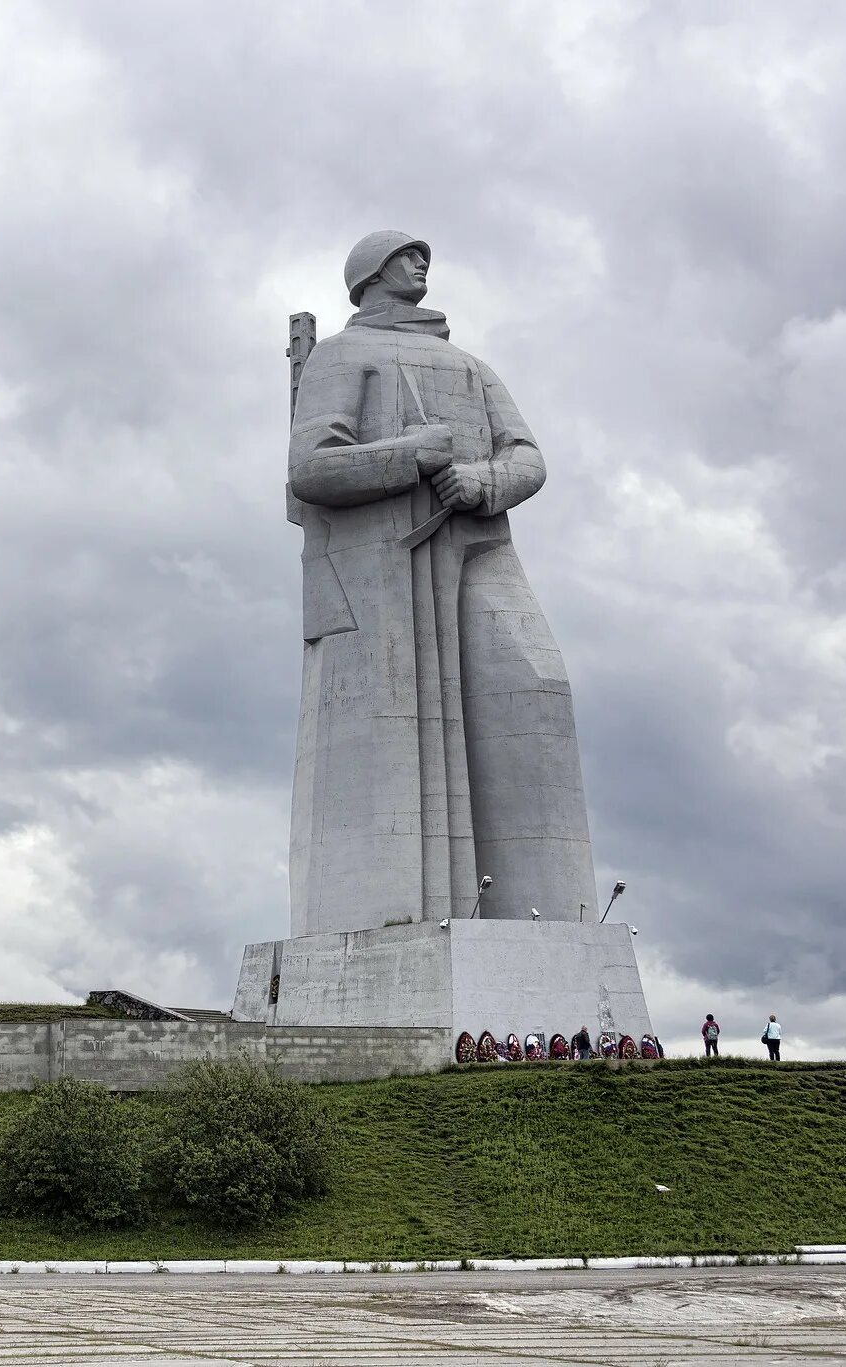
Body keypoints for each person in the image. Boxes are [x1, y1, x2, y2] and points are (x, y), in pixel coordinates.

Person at [286, 231, 597, 932]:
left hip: (479, 546)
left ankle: (553, 922)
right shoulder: (342, 356)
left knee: (537, 685)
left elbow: (528, 456)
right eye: (405, 255)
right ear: (369, 275)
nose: (421, 262)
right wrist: (412, 455)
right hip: (381, 567)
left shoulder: (471, 367)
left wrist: (482, 480)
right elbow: (311, 468)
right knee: (394, 735)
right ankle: (391, 915)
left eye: (423, 254)